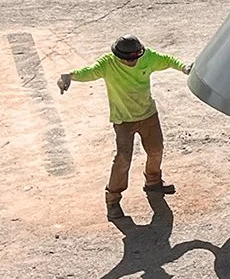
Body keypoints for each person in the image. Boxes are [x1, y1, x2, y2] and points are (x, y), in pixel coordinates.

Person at [58, 35, 191, 220]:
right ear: (118, 56)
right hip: (123, 121)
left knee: (156, 150)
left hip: (148, 114)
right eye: (128, 59)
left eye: (135, 58)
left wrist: (184, 67)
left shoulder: (147, 57)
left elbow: (168, 60)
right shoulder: (107, 63)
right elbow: (89, 71)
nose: (132, 62)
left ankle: (153, 182)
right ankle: (112, 200)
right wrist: (70, 75)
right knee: (123, 159)